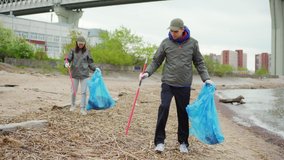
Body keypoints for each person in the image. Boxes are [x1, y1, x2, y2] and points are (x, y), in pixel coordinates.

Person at [139, 18, 214, 153]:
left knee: (183, 113)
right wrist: (147, 73)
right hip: (168, 82)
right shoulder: (165, 43)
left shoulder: (193, 43)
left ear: (182, 29)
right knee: (164, 108)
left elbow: (199, 62)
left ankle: (183, 142)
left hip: (184, 85)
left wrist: (206, 79)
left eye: (176, 31)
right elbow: (156, 61)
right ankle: (159, 141)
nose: (173, 33)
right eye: (171, 31)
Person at [64, 36, 97, 115]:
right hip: (74, 74)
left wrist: (95, 68)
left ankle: (82, 108)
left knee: (84, 92)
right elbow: (67, 59)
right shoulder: (72, 50)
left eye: (82, 44)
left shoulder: (87, 51)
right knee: (73, 92)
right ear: (77, 43)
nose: (81, 45)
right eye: (79, 44)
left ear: (84, 44)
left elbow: (90, 62)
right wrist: (66, 63)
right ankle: (73, 105)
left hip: (84, 74)